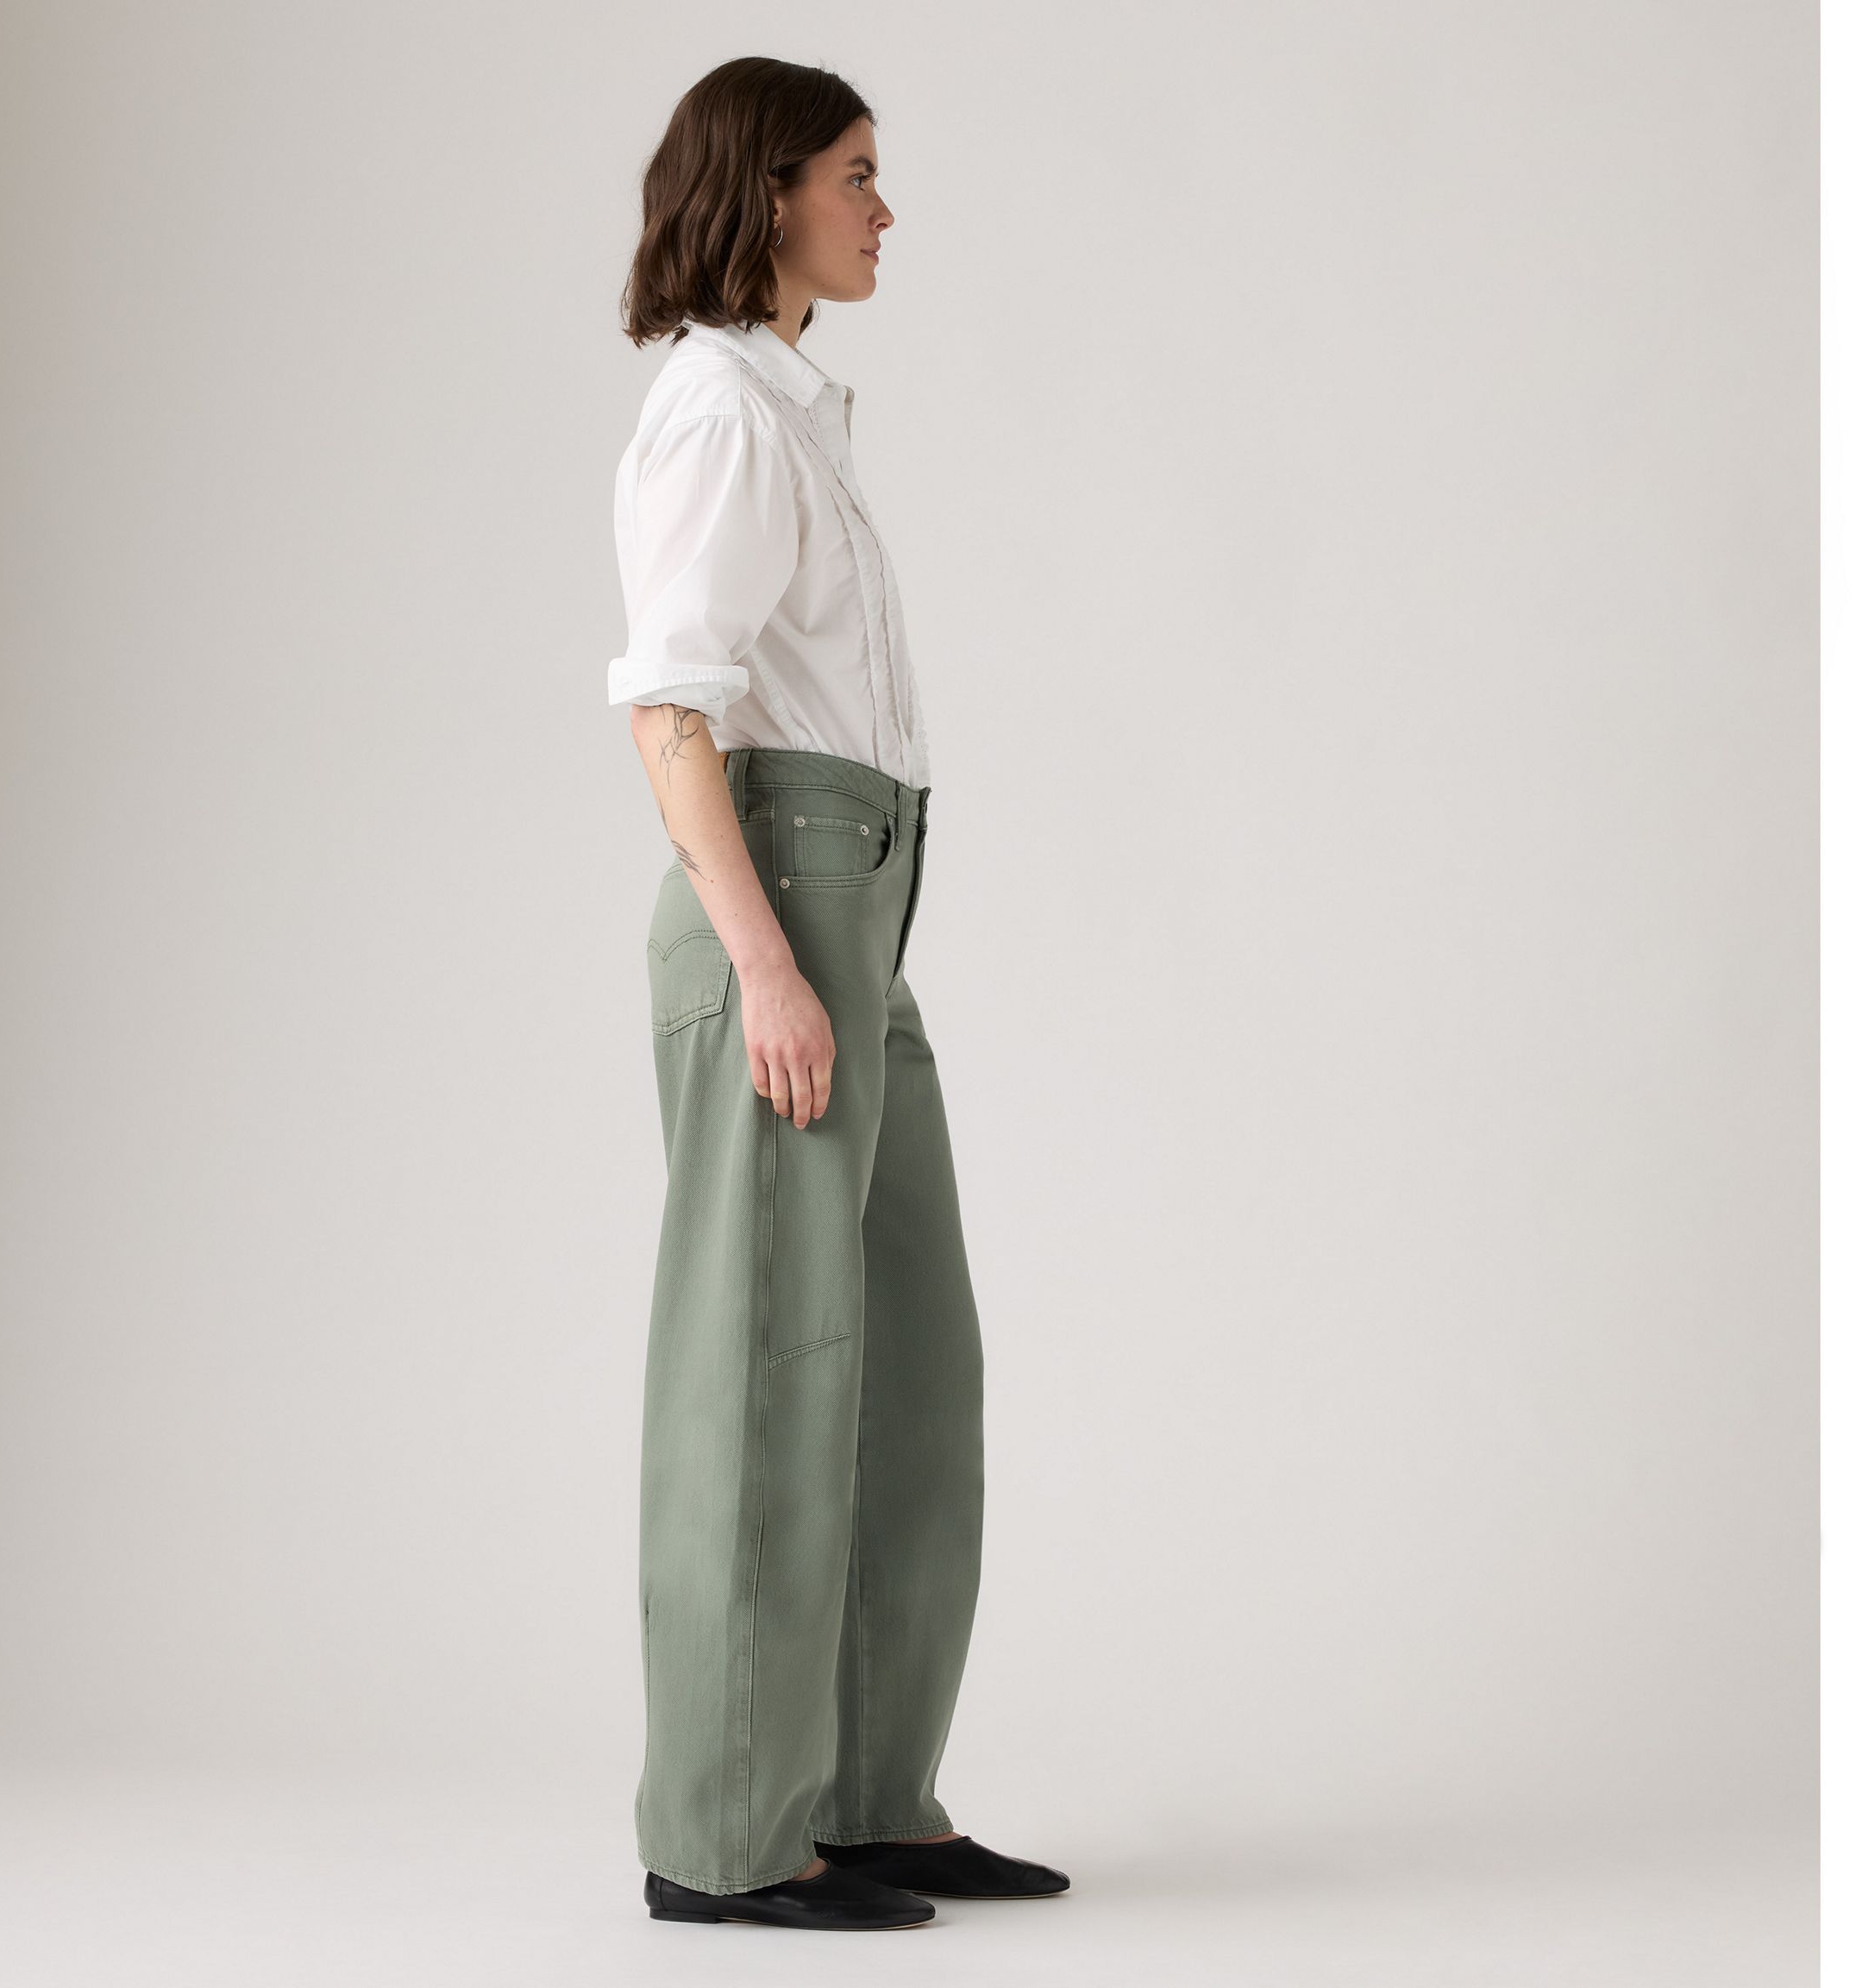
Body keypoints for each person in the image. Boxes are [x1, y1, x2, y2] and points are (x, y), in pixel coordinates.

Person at [605, 58, 1074, 1934]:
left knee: (902, 1367)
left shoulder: (794, 412)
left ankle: (868, 1795)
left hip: (853, 914)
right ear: (769, 190)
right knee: (765, 1374)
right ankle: (727, 1833)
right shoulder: (720, 412)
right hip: (781, 912)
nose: (885, 212)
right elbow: (669, 707)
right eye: (857, 175)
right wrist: (765, 964)